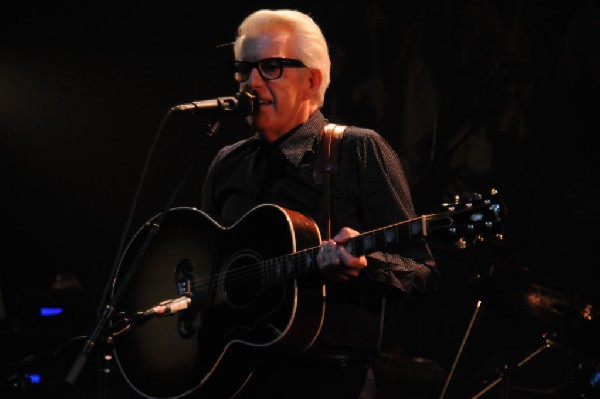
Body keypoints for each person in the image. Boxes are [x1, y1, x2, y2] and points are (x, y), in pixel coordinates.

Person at [200, 9, 440, 399]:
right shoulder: (228, 162)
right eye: (244, 69)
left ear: (311, 81)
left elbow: (421, 272)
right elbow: (208, 269)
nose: (251, 83)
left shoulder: (358, 149)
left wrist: (367, 266)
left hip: (329, 381)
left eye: (271, 67)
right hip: (235, 378)